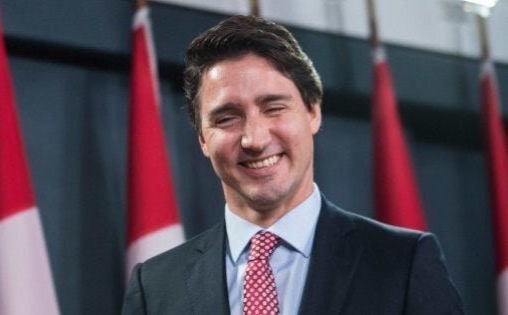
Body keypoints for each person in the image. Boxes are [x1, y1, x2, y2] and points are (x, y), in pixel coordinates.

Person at [122, 15, 463, 315]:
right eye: (226, 117)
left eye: (273, 108)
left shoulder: (401, 262)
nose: (254, 139)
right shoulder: (155, 286)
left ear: (313, 112)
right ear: (202, 138)